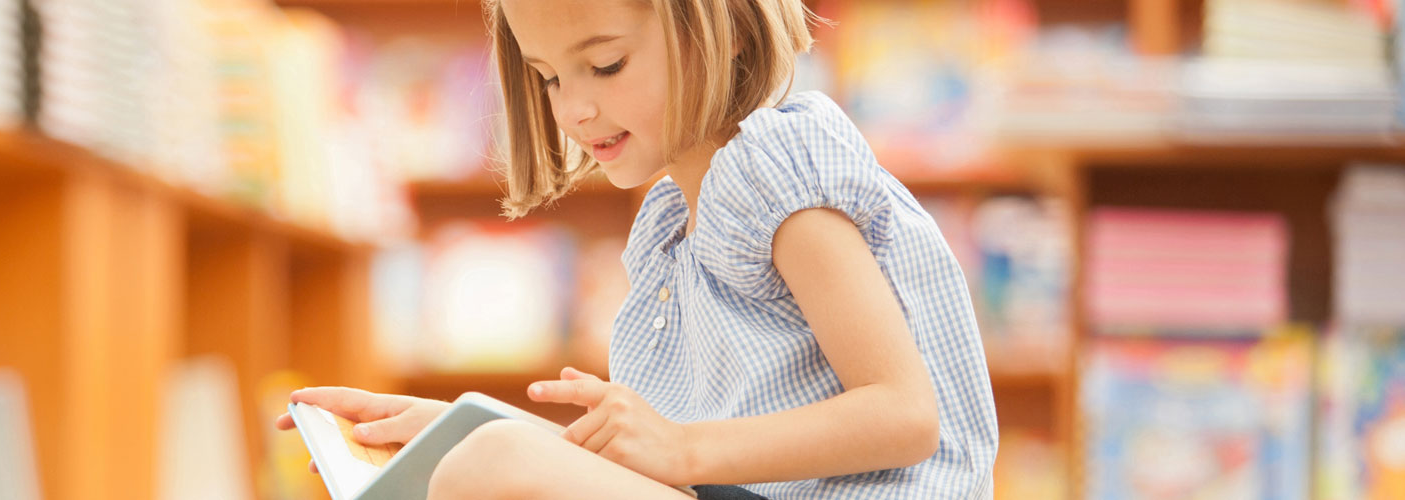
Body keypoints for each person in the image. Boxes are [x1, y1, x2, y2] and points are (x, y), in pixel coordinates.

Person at [275, 0, 998, 497]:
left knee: (492, 464)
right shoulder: (669, 226)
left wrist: (679, 449)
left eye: (608, 65)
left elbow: (905, 415)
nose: (574, 109)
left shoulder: (776, 168)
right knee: (479, 457)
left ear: (727, 27)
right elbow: (655, 459)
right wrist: (449, 424)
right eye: (551, 77)